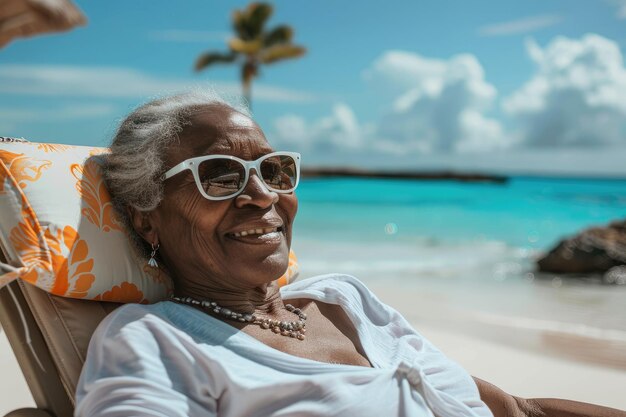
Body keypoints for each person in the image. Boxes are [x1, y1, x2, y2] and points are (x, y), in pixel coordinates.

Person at [75, 91, 625, 417]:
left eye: (274, 170)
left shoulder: (345, 299)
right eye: (219, 176)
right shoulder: (152, 340)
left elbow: (517, 410)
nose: (263, 196)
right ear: (147, 212)